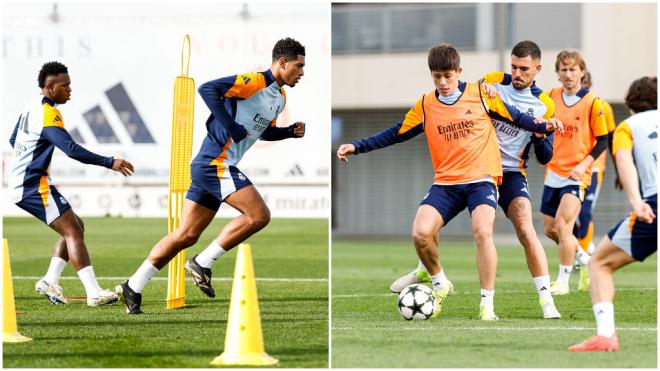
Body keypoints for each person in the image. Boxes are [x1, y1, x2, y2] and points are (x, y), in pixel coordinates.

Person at [337, 43, 559, 321]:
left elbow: (537, 143)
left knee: (522, 229)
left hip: (504, 173)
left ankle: (544, 299)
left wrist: (543, 129)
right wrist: (357, 146)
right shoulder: (488, 84)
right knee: (423, 230)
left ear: (537, 69)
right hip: (456, 176)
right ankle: (430, 273)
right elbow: (401, 130)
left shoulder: (543, 103)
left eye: (523, 68)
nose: (516, 72)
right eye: (513, 66)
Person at [116, 37, 307, 314]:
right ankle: (202, 262)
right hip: (215, 163)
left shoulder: (279, 98)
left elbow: (262, 130)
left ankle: (132, 286)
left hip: (211, 165)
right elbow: (207, 89)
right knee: (259, 215)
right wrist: (230, 125)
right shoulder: (254, 81)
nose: (301, 73)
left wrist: (289, 133)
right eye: (298, 66)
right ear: (282, 62)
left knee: (185, 235)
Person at [8, 61, 134, 307]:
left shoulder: (30, 106)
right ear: (51, 86)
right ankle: (94, 293)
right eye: (65, 85)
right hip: (32, 184)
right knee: (72, 231)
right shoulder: (48, 113)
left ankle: (50, 279)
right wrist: (110, 162)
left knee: (77, 225)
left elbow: (14, 140)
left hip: (29, 181)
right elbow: (71, 149)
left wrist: (31, 161)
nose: (70, 89)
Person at [568, 76, 657, 352]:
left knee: (599, 263)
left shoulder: (627, 127)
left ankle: (605, 335)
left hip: (654, 207)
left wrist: (636, 201)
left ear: (630, 104)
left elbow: (624, 162)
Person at [542, 50, 608, 295]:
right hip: (553, 173)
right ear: (557, 73)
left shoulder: (593, 102)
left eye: (573, 70)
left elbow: (602, 140)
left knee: (563, 225)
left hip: (578, 175)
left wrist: (583, 165)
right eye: (563, 70)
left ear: (582, 71)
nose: (568, 74)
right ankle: (587, 260)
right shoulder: (550, 97)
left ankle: (562, 281)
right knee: (550, 229)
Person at [571, 71, 617, 285]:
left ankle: (582, 262)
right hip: (570, 170)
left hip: (594, 169)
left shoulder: (601, 106)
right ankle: (586, 253)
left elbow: (610, 138)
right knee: (568, 218)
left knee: (586, 213)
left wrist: (619, 168)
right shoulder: (566, 104)